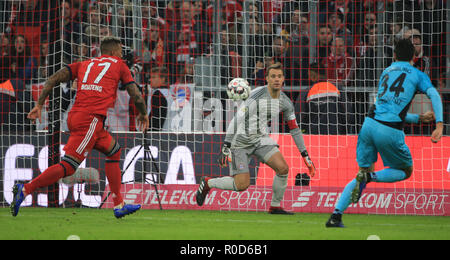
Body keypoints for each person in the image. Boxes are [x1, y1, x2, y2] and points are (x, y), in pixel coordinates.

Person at [10, 36, 149, 219]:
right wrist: (143, 113)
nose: (122, 55)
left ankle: (119, 204)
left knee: (114, 151)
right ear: (115, 52)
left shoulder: (85, 63)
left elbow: (53, 78)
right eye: (121, 52)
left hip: (81, 117)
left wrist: (39, 104)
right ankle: (25, 189)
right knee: (69, 166)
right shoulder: (119, 64)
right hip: (90, 120)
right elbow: (136, 95)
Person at [325, 39, 444, 228]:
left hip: (369, 125)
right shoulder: (417, 74)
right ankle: (370, 178)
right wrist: (439, 124)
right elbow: (435, 95)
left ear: (394, 55)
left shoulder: (387, 71)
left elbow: (388, 107)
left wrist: (417, 119)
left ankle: (335, 216)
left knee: (362, 171)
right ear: (414, 57)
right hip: (389, 130)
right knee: (405, 171)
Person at [195, 63, 316, 214]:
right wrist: (226, 146)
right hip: (240, 142)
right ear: (267, 79)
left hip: (260, 140)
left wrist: (305, 154)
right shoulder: (257, 95)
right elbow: (237, 120)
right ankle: (208, 183)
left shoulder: (285, 102)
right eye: (273, 76)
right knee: (242, 185)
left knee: (283, 168)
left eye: (279, 76)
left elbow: (295, 129)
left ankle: (275, 206)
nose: (276, 79)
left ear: (283, 78)